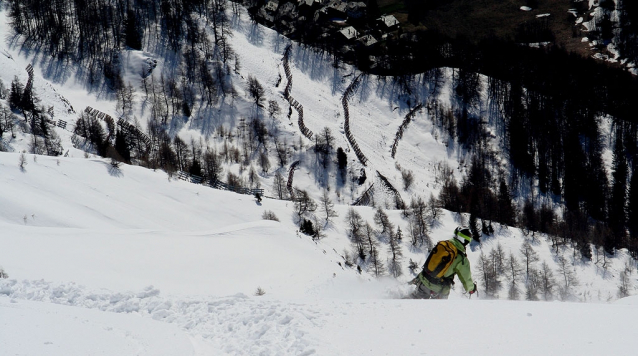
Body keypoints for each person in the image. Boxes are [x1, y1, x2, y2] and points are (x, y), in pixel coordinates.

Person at [410, 226, 478, 299]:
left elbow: (431, 263)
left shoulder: (443, 245)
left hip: (423, 281)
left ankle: (397, 304)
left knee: (411, 303)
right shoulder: (461, 258)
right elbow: (466, 278)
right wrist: (471, 288)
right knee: (438, 310)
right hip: (439, 289)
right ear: (465, 240)